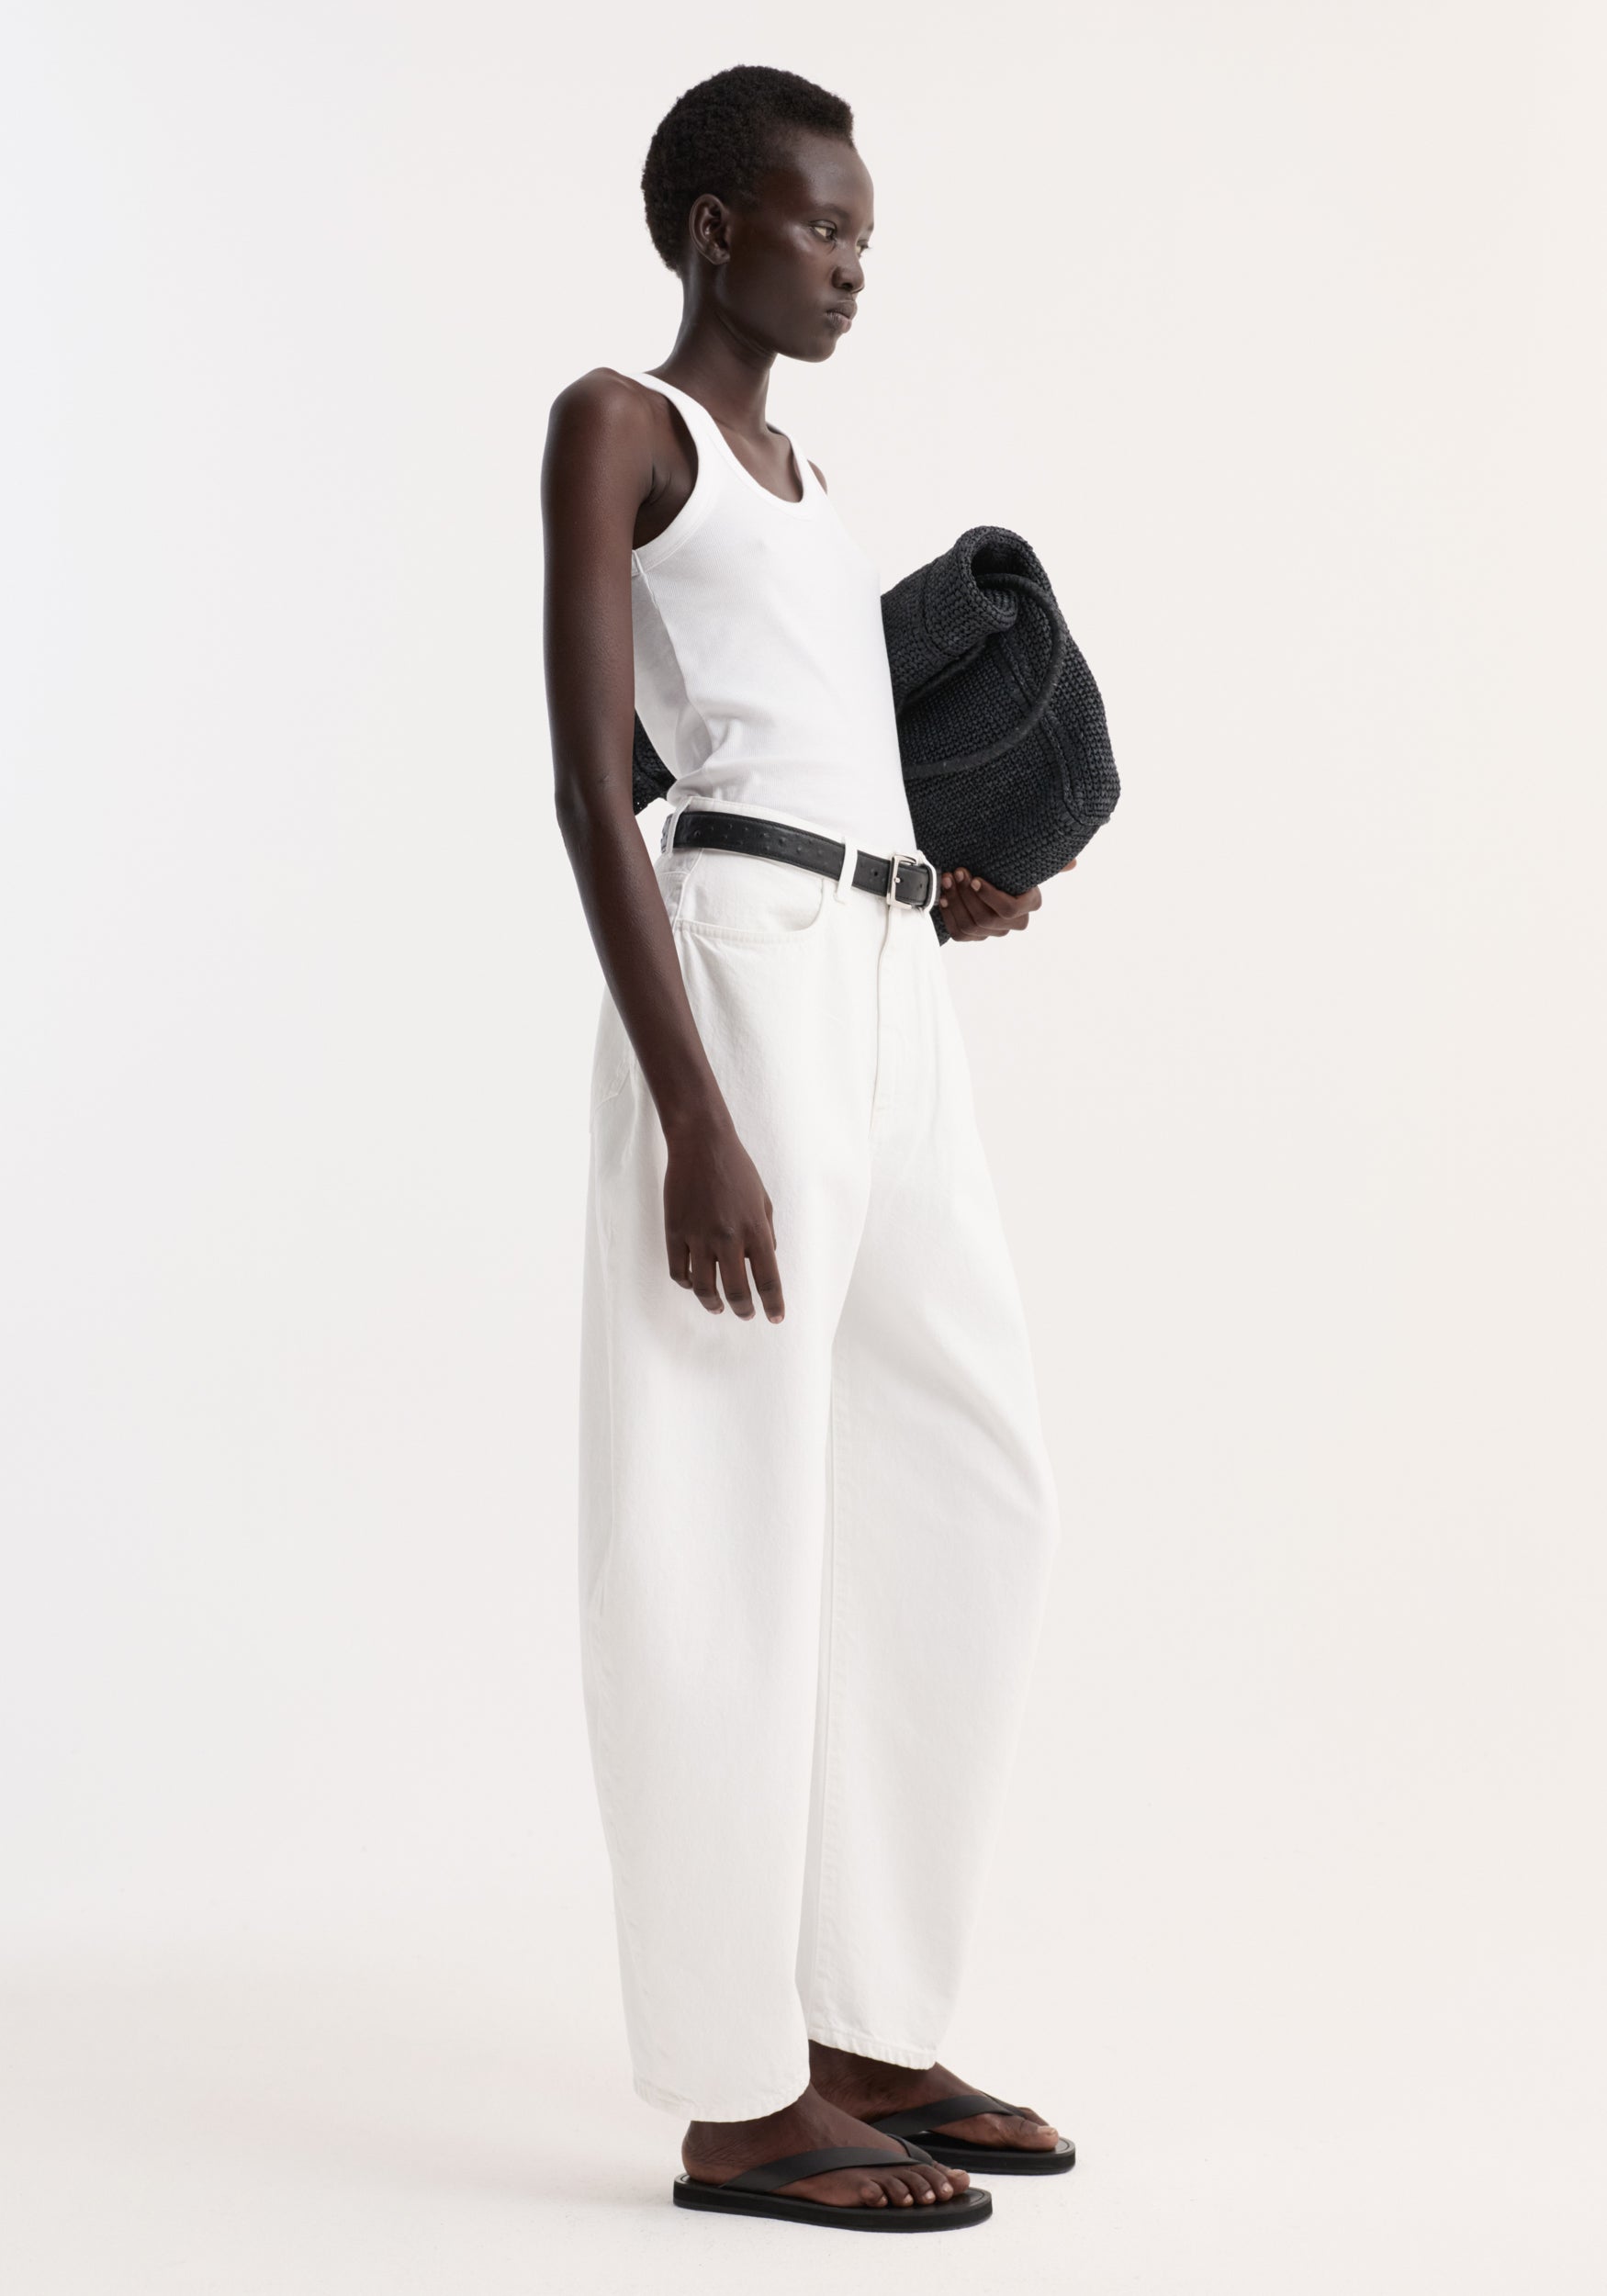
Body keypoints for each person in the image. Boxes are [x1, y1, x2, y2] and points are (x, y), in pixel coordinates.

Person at [542, 63, 1075, 2234]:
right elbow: (594, 785)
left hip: (877, 973)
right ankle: (733, 2090)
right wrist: (693, 1111)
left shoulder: (806, 477)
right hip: (740, 989)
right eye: (819, 227)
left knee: (970, 1460)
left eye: (863, 235)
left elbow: (801, 735)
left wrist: (930, 887)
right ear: (710, 231)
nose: (851, 265)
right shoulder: (621, 425)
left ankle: (864, 2016)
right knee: (714, 1510)